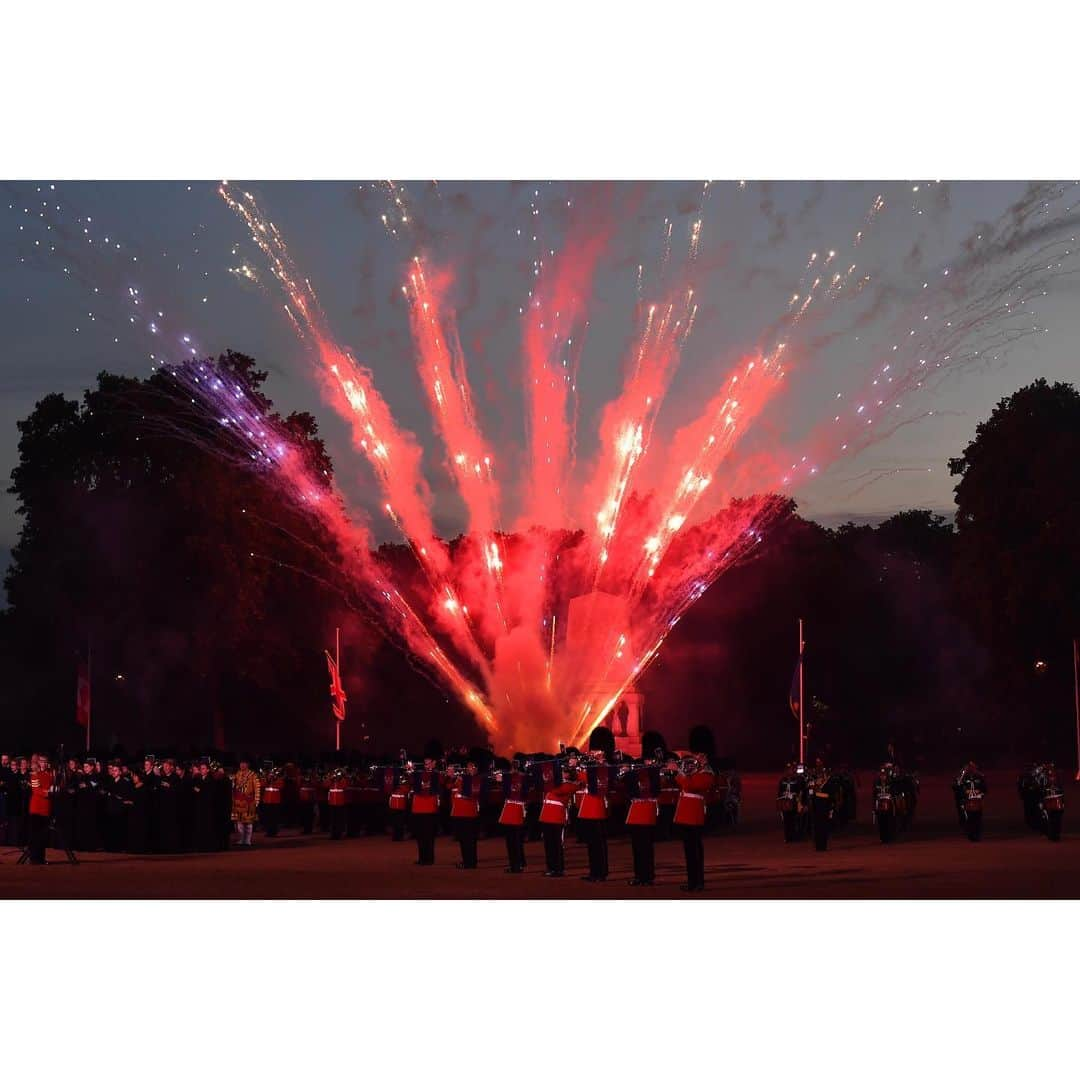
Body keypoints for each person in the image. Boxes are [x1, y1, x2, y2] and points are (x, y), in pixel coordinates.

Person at [673, 754, 715, 892]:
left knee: (695, 851)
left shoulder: (706, 773)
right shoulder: (696, 772)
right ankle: (692, 882)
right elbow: (683, 783)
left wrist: (679, 771)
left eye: (701, 758)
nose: (697, 759)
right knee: (689, 851)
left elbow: (689, 785)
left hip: (694, 814)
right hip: (686, 814)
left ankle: (698, 883)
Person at [538, 762, 580, 878]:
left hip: (557, 817)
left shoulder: (570, 786)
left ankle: (558, 869)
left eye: (564, 772)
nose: (562, 774)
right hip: (547, 816)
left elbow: (557, 791)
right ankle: (551, 867)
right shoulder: (558, 783)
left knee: (556, 845)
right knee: (548, 845)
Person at [576, 752, 612, 882]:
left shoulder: (602, 770)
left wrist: (579, 766)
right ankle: (594, 871)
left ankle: (600, 873)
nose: (596, 757)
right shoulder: (594, 769)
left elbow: (585, 778)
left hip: (596, 810)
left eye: (599, 756)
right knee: (592, 845)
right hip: (589, 810)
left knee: (598, 845)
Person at [625, 761, 660, 886]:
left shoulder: (649, 774)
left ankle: (644, 876)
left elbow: (653, 791)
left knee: (643, 847)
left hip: (642, 812)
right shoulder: (641, 774)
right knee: (642, 847)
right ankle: (644, 876)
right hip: (642, 812)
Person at [449, 761, 486, 869]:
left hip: (469, 812)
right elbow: (450, 787)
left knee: (469, 840)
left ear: (476, 769)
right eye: (468, 767)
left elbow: (472, 792)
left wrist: (462, 780)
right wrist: (452, 778)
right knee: (464, 840)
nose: (469, 769)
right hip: (460, 812)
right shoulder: (462, 778)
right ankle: (468, 861)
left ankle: (469, 862)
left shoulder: (476, 779)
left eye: (471, 767)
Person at [498, 756, 530, 873]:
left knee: (513, 840)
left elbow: (506, 793)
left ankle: (516, 866)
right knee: (516, 840)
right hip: (516, 809)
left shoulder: (513, 777)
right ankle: (519, 863)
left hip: (513, 809)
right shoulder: (518, 777)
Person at [409, 756, 441, 865]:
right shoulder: (418, 774)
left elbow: (438, 786)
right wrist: (410, 770)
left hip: (430, 808)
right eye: (425, 764)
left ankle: (429, 859)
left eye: (428, 763)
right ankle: (422, 858)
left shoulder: (437, 774)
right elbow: (411, 781)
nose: (426, 765)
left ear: (434, 763)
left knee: (429, 835)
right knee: (420, 835)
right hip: (418, 808)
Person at [26, 754, 54, 865]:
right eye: (42, 761)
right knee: (35, 835)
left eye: (46, 761)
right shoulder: (35, 774)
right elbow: (36, 790)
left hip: (46, 809)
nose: (44, 763)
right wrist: (48, 792)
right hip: (36, 808)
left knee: (42, 836)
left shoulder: (50, 774)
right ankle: (34, 858)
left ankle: (40, 858)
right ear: (38, 762)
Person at [231, 757, 262, 847]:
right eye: (241, 763)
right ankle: (241, 839)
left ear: (248, 765)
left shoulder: (253, 775)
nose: (242, 765)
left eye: (244, 763)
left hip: (249, 802)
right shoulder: (237, 774)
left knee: (248, 822)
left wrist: (256, 800)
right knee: (239, 822)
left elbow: (257, 788)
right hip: (238, 801)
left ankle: (247, 840)